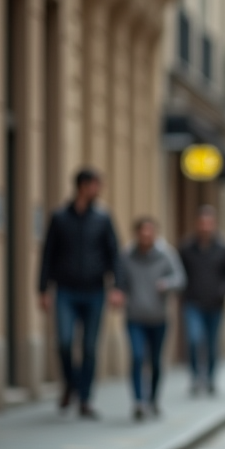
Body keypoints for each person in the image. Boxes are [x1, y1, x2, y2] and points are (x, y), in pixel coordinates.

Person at [38, 168, 122, 419]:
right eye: (96, 185)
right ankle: (70, 384)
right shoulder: (60, 217)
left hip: (95, 290)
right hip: (65, 290)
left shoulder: (103, 218)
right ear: (82, 186)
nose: (99, 190)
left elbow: (113, 255)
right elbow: (47, 255)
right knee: (64, 342)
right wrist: (42, 289)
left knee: (89, 347)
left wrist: (117, 287)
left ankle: (85, 399)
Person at [116, 217, 185, 420]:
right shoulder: (126, 256)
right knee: (137, 357)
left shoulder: (166, 255)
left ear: (155, 234)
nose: (146, 236)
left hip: (159, 317)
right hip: (135, 316)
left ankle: (153, 399)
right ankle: (139, 401)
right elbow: (119, 281)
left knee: (155, 361)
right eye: (142, 232)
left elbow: (180, 279)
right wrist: (118, 293)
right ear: (136, 234)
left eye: (150, 232)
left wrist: (167, 284)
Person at [178, 206, 225, 395]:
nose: (205, 226)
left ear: (214, 224)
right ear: (197, 224)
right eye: (202, 223)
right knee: (195, 340)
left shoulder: (223, 248)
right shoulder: (186, 248)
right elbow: (179, 273)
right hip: (193, 302)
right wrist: (183, 291)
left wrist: (223, 290)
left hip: (215, 304)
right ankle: (196, 377)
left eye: (208, 223)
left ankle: (210, 377)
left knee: (211, 343)